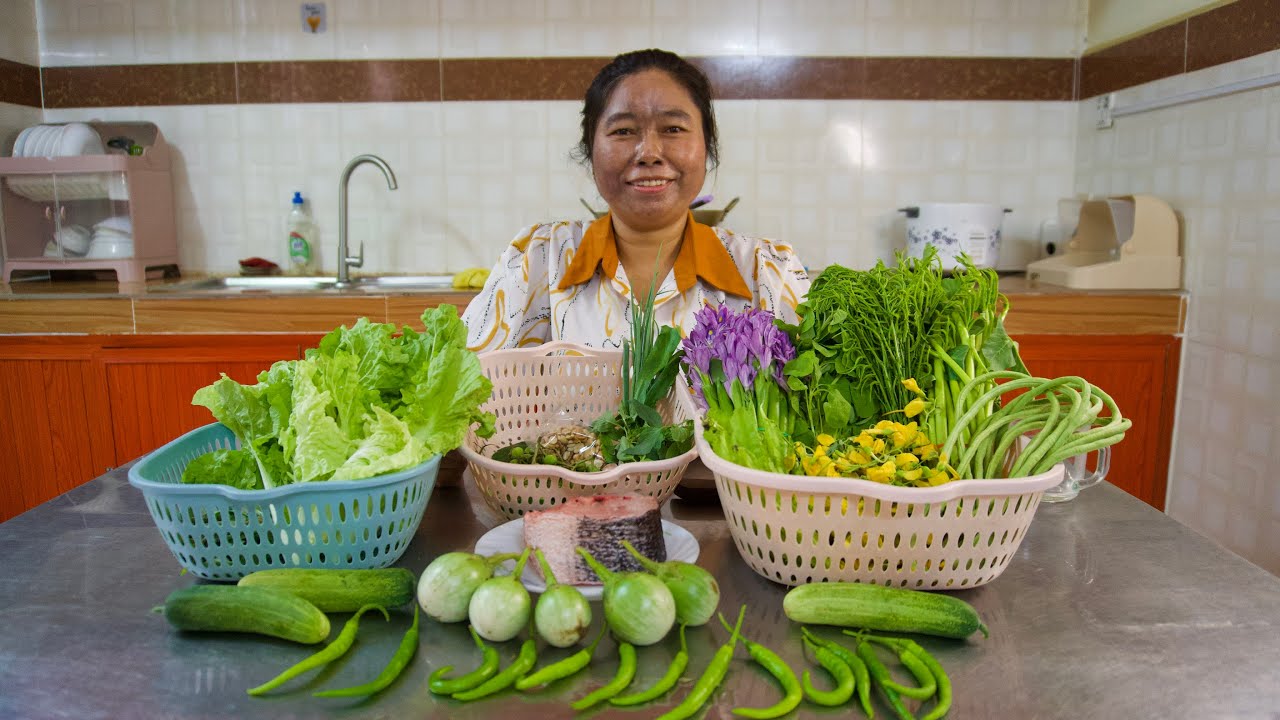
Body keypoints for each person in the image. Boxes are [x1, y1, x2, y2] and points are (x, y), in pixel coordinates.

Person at [462, 49, 810, 352]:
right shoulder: (537, 259)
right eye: (624, 131)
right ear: (591, 150)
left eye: (673, 129)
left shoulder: (767, 271)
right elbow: (466, 389)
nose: (649, 153)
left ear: (707, 146)